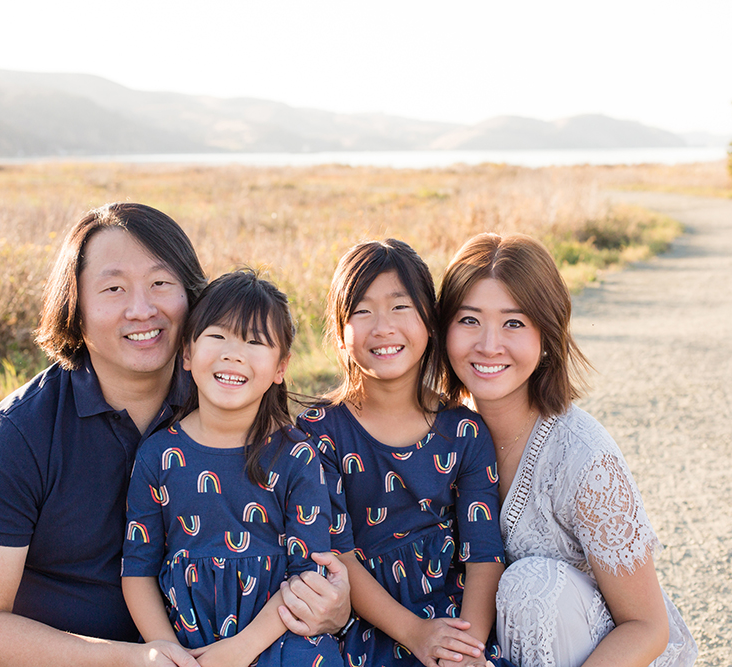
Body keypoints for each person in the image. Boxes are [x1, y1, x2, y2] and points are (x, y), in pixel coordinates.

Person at [0, 203, 350, 667]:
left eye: (160, 284)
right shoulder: (19, 434)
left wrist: (333, 608)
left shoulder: (227, 398)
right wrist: (136, 659)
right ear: (75, 306)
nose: (141, 310)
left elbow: (312, 559)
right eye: (113, 288)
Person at [438, 233, 698, 667]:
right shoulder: (441, 432)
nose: (488, 344)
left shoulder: (582, 457)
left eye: (514, 323)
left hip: (611, 656)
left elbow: (648, 628)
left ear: (547, 334)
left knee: (531, 586)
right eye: (469, 320)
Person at [297, 239, 509, 667]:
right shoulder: (319, 434)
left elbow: (484, 554)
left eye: (400, 307)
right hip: (365, 626)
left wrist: (464, 650)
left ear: (430, 323)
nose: (383, 327)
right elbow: (337, 553)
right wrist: (415, 633)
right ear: (340, 336)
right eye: (362, 310)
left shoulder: (464, 431)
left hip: (455, 623)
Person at [122, 269, 343, 667]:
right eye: (217, 336)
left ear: (280, 367)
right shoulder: (158, 455)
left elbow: (308, 574)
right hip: (184, 638)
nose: (233, 353)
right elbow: (138, 570)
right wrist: (167, 650)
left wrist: (241, 649)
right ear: (187, 353)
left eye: (254, 341)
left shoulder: (296, 456)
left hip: (277, 632)